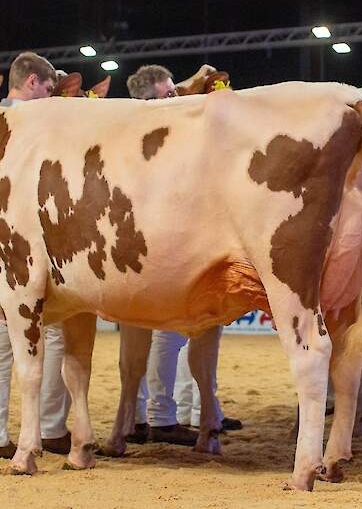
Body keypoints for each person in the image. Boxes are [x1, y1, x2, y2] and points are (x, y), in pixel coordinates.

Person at [125, 65, 241, 445]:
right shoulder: (148, 131)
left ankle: (181, 413)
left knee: (185, 332)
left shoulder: (152, 126)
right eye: (169, 94)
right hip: (160, 241)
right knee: (168, 334)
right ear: (152, 100)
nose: (176, 99)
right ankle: (158, 415)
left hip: (176, 237)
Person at [0, 51, 70, 459]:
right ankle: (50, 428)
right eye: (48, 89)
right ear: (31, 82)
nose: (50, 98)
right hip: (34, 243)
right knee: (49, 331)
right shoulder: (37, 124)